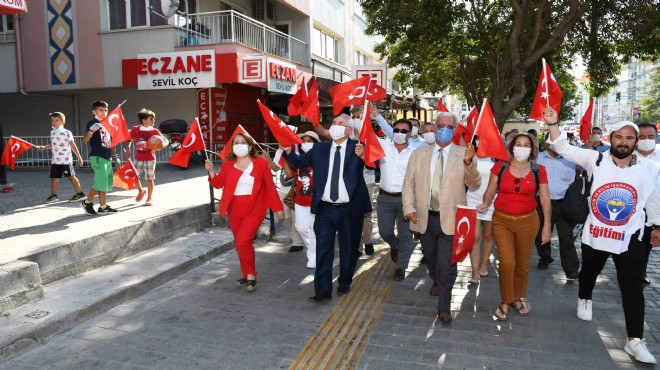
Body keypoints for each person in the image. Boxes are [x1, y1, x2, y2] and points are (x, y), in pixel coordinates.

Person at [546, 110, 660, 364]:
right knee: (589, 271)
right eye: (619, 137)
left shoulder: (651, 168)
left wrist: (657, 226)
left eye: (629, 138)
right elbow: (563, 147)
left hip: (631, 235)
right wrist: (553, 123)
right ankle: (584, 299)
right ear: (611, 138)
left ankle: (635, 341)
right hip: (597, 233)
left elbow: (653, 198)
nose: (624, 142)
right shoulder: (595, 159)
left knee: (632, 286)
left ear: (636, 141)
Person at [284, 113, 371, 303]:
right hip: (325, 209)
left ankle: (345, 281)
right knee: (323, 249)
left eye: (341, 124)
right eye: (334, 122)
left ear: (348, 130)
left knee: (348, 249)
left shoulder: (357, 147)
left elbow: (375, 165)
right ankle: (322, 290)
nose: (335, 126)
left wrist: (364, 155)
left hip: (350, 210)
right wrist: (288, 151)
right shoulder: (319, 149)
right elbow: (299, 163)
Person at [402, 112, 480, 322]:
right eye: (441, 125)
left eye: (450, 126)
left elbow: (474, 183)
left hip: (452, 219)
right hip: (424, 217)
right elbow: (409, 183)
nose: (445, 129)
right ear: (435, 128)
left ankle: (444, 306)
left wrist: (468, 163)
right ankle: (436, 279)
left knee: (447, 264)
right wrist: (408, 207)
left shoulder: (464, 153)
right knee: (433, 260)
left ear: (454, 130)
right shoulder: (419, 154)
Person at [477, 132, 551, 321]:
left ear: (532, 149)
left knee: (523, 264)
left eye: (526, 145)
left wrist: (547, 225)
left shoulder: (538, 170)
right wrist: (485, 203)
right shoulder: (500, 166)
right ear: (511, 147)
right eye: (518, 144)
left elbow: (544, 198)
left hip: (528, 221)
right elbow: (490, 190)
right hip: (502, 220)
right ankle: (505, 300)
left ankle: (517, 297)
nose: (522, 148)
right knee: (508, 261)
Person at [205, 132, 284, 292]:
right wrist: (212, 171)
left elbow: (270, 187)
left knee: (242, 241)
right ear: (232, 147)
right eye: (236, 142)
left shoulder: (260, 163)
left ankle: (251, 275)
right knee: (240, 243)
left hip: (255, 208)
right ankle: (246, 273)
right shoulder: (228, 164)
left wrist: (278, 208)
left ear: (249, 146)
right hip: (234, 209)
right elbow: (218, 184)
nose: (239, 145)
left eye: (242, 142)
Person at [376, 118, 416, 281]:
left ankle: (401, 267)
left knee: (406, 235)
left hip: (406, 200)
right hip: (385, 198)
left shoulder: (416, 151)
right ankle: (394, 244)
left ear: (409, 133)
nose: (400, 133)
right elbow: (363, 134)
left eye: (404, 131)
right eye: (396, 130)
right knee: (384, 231)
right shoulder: (384, 145)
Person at [535, 134, 580, 278]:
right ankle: (545, 257)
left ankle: (571, 269)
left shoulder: (571, 158)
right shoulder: (538, 159)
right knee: (540, 234)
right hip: (542, 203)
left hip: (565, 205)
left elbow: (587, 167)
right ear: (547, 143)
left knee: (566, 236)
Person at [37, 112, 85, 203]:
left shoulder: (67, 132)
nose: (54, 122)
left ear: (63, 122)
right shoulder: (52, 132)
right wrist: (45, 147)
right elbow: (54, 144)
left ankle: (80, 194)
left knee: (71, 177)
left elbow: (72, 144)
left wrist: (79, 157)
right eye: (52, 120)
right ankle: (53, 196)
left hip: (66, 160)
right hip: (55, 161)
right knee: (54, 178)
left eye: (57, 120)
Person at [81, 101, 119, 215]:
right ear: (94, 111)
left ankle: (103, 206)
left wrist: (115, 156)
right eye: (101, 110)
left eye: (105, 110)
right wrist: (91, 131)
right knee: (100, 182)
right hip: (97, 156)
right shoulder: (92, 122)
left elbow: (111, 142)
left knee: (104, 182)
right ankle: (87, 202)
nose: (104, 112)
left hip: (107, 156)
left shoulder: (108, 124)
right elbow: (85, 139)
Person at [290, 131, 321, 268]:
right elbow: (289, 172)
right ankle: (315, 250)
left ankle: (313, 256)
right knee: (301, 228)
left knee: (314, 230)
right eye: (304, 140)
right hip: (300, 201)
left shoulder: (321, 159)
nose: (306, 143)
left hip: (315, 202)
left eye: (310, 140)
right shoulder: (299, 159)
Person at [465, 152, 496, 283]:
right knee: (474, 237)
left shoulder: (499, 157)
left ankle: (483, 264)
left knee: (488, 235)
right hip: (472, 198)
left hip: (493, 200)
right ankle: (474, 271)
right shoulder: (470, 155)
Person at [635, 122, 660, 286]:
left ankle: (639, 273)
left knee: (644, 248)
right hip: (630, 211)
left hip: (653, 215)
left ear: (656, 138)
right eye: (642, 137)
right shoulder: (626, 157)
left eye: (650, 137)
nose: (646, 140)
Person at [124, 108, 164, 206]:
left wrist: (163, 144)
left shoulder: (154, 131)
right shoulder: (136, 129)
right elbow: (129, 139)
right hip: (138, 157)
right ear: (144, 120)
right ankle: (141, 191)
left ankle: (149, 198)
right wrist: (128, 149)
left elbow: (164, 140)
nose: (153, 121)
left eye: (153, 119)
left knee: (149, 179)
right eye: (151, 119)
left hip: (150, 158)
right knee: (133, 177)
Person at [267, 151, 305, 252]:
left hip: (294, 192)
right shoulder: (279, 152)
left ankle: (297, 243)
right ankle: (296, 238)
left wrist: (285, 158)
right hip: (283, 190)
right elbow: (275, 168)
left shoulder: (297, 152)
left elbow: (289, 175)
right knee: (283, 218)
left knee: (295, 218)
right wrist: (268, 159)